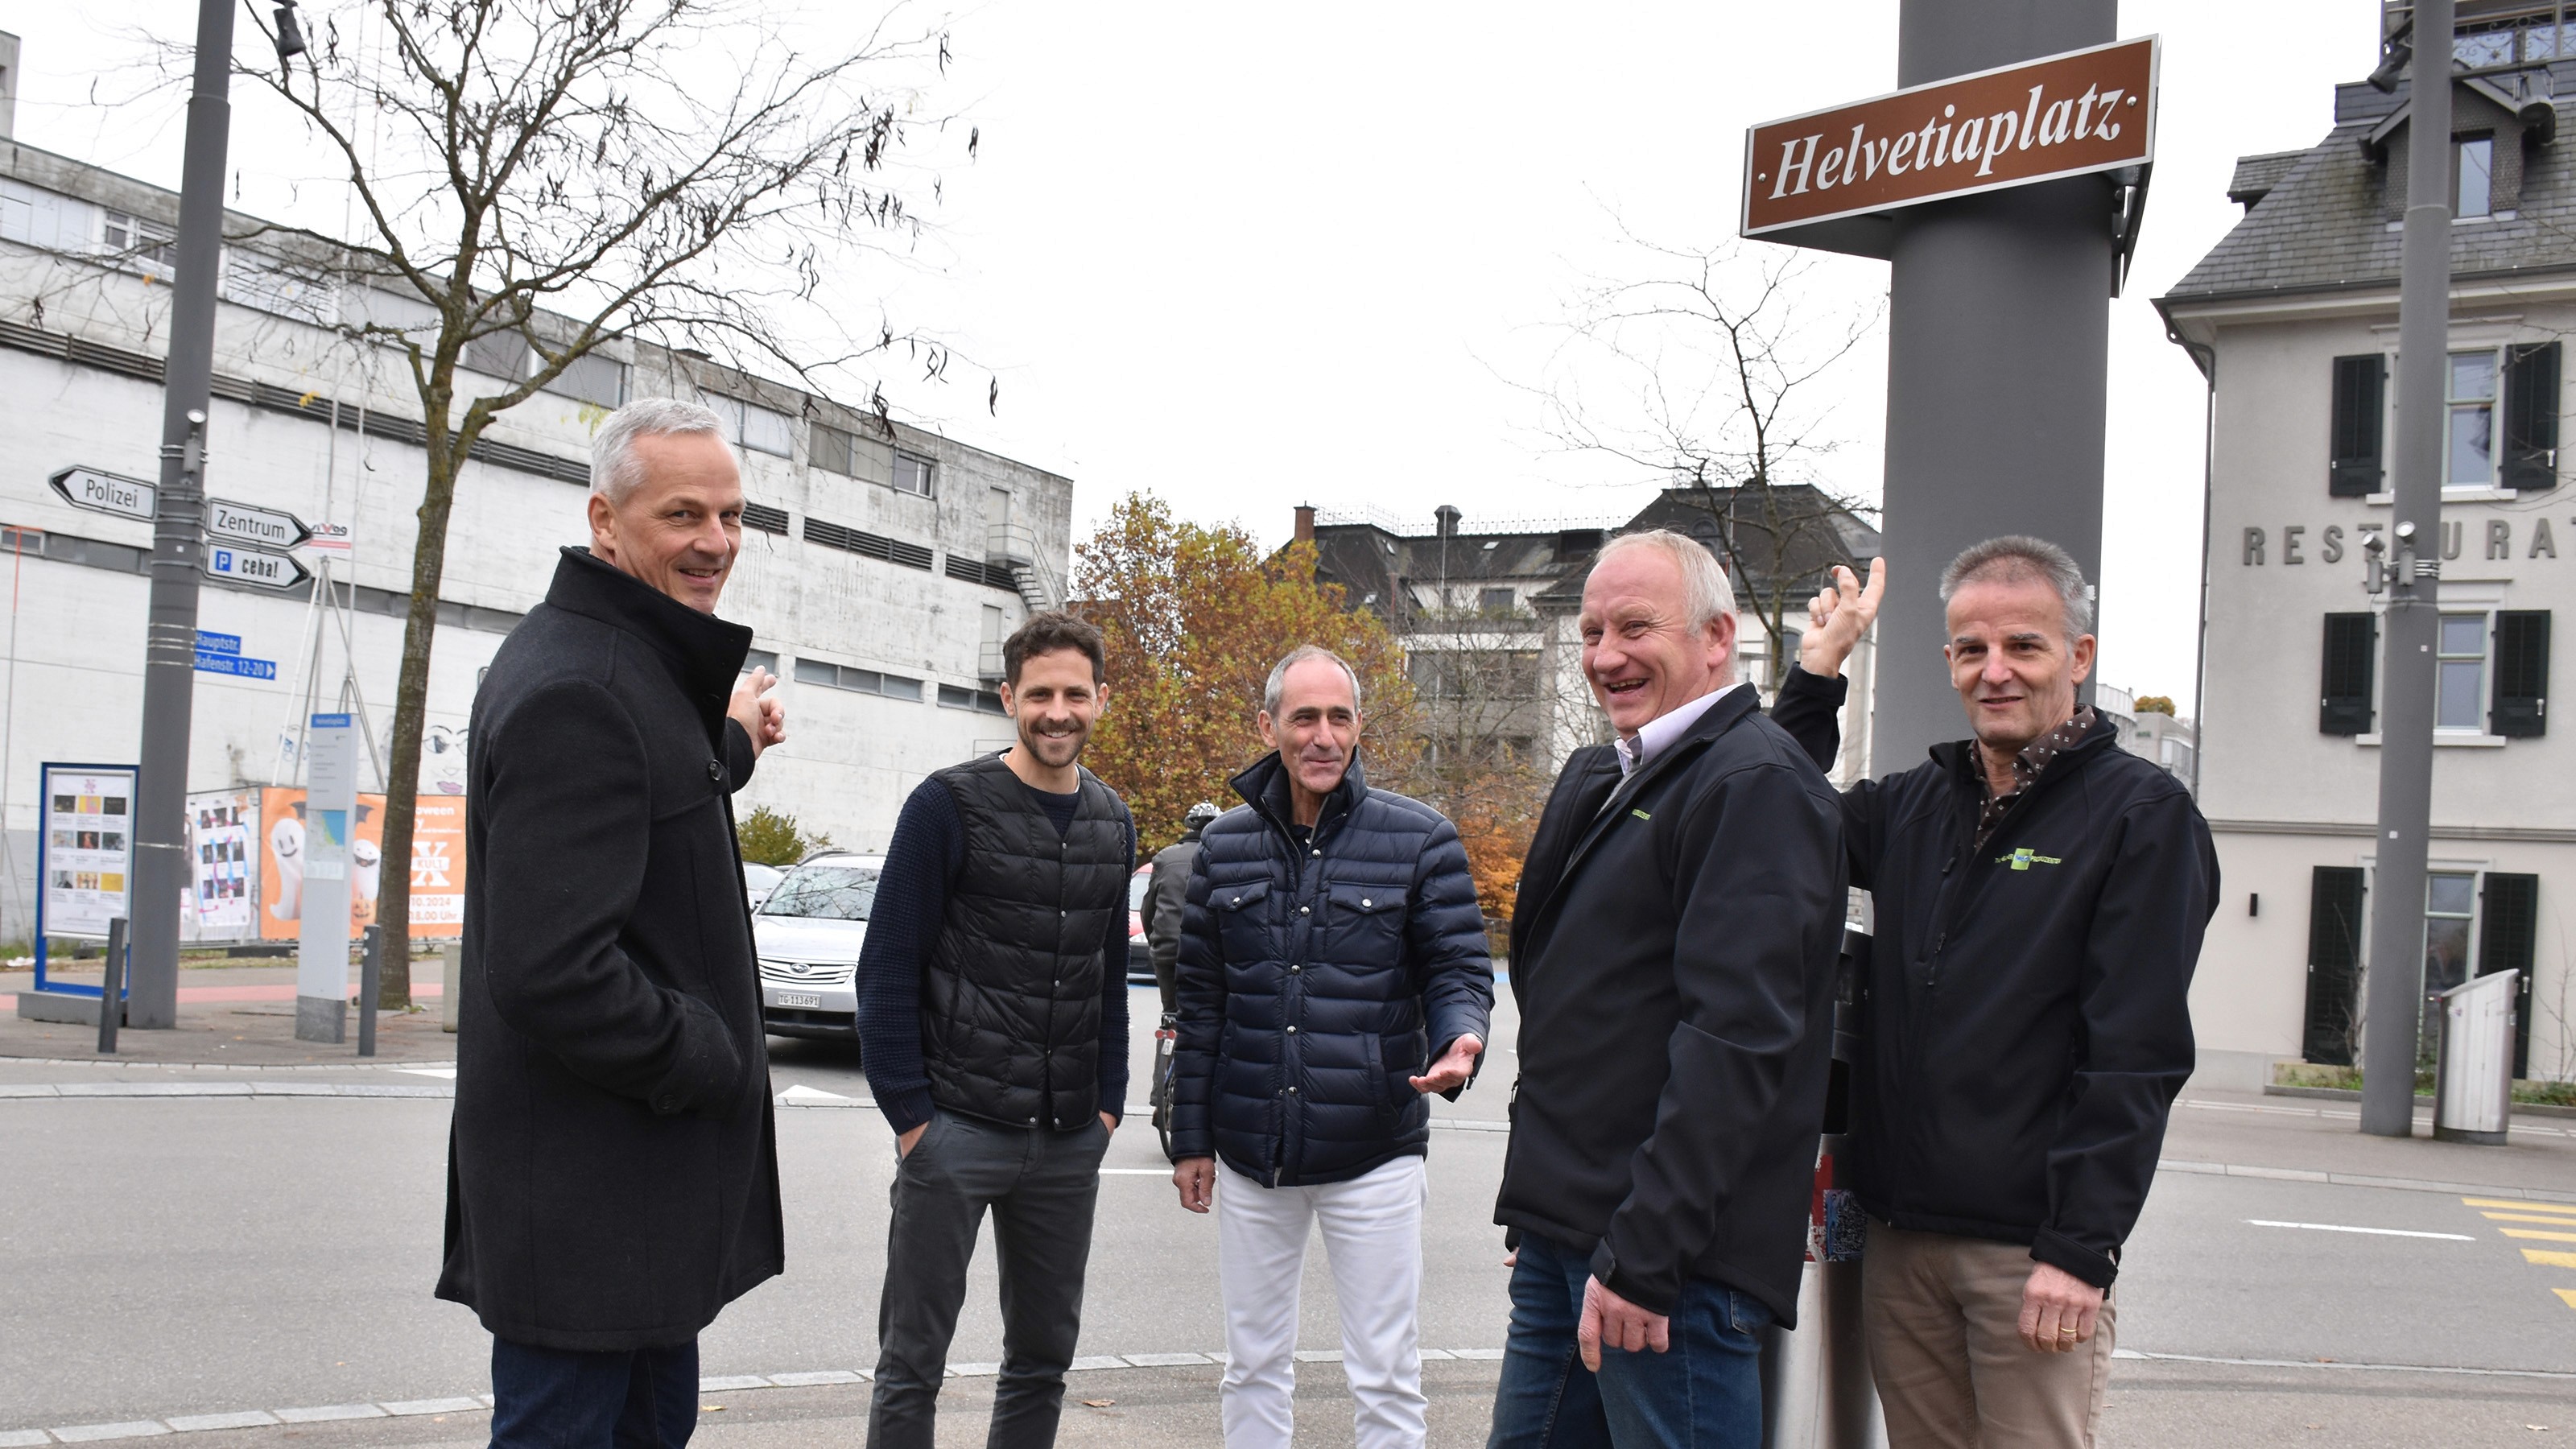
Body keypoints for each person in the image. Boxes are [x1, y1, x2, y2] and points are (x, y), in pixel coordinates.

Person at [1776, 537, 2217, 1449]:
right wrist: (1817, 675)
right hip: (1898, 1243)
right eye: (1971, 650)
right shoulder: (1908, 807)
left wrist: (2079, 1248)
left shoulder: (2141, 817)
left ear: (2079, 657)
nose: (1995, 671)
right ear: (1947, 661)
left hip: (2029, 1259)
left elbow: (2133, 1053)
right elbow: (1768, 814)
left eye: (2023, 646)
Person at [439, 397, 789, 1449]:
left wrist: (731, 741)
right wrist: (704, 1054)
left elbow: (652, 794)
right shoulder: (581, 687)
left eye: (732, 516)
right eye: (684, 515)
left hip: (629, 1211)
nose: (716, 543)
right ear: (606, 521)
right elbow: (551, 969)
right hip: (593, 1206)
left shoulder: (619, 662)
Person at [1490, 530, 1847, 1449]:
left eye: (1635, 627)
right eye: (1591, 631)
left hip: (1665, 1273)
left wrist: (1645, 1255)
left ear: (1717, 638)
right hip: (1570, 1238)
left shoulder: (1755, 785)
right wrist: (1542, 1208)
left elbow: (1735, 1043)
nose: (1605, 656)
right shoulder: (1614, 774)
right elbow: (1588, 1009)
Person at [1166, 645, 1494, 1449]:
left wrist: (1461, 1038)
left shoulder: (1420, 840)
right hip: (1251, 1154)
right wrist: (1190, 1138)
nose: (1321, 735)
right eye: (1303, 716)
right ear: (1268, 724)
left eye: (1338, 717)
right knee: (1251, 1364)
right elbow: (1201, 1004)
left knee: (1384, 1371)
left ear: (1358, 728)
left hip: (1373, 1149)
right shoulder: (1224, 848)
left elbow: (1457, 966)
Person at [854, 610, 1136, 1449]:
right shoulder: (947, 805)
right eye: (1040, 694)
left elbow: (1107, 978)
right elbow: (887, 969)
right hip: (954, 1129)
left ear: (1100, 701)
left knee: (1043, 1360)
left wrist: (1108, 1107)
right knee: (912, 1363)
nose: (1058, 711)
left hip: (1064, 1140)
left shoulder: (1111, 821)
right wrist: (913, 1121)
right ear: (1009, 696)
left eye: (1074, 694)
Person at [1142, 800, 1220, 1014]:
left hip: (1167, 952)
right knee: (1206, 1016)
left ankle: (1168, 1033)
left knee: (1171, 1012)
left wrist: (1157, 942)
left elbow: (1148, 909)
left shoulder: (1165, 857)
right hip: (1206, 954)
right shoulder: (1223, 858)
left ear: (1188, 827)